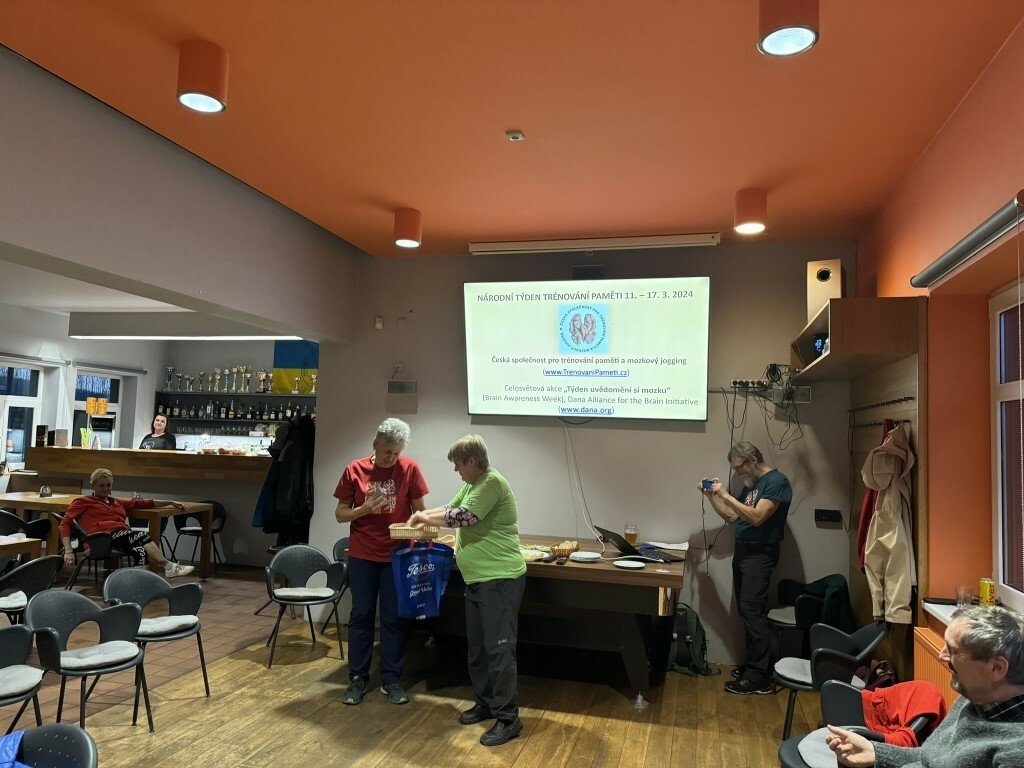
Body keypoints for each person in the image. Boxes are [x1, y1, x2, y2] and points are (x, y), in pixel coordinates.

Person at [407, 434, 526, 747]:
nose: (456, 470)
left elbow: (464, 517)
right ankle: (486, 703)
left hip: (499, 580)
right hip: (478, 581)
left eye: (458, 464)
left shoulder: (491, 483)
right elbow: (451, 507)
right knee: (478, 649)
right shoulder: (473, 484)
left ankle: (508, 718)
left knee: (499, 651)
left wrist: (424, 517)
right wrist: (422, 516)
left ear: (472, 461)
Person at [826, 605, 1024, 767]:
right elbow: (931, 757)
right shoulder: (974, 697)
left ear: (996, 667)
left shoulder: (1015, 753)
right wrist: (876, 753)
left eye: (953, 650)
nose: (942, 655)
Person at [333, 418, 429, 707]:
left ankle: (391, 679)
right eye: (387, 451)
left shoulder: (409, 468)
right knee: (361, 615)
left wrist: (414, 529)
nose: (392, 458)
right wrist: (363, 509)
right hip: (362, 554)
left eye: (397, 452)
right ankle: (357, 677)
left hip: (397, 555)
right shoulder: (355, 469)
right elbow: (340, 514)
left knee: (393, 617)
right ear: (375, 443)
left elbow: (420, 512)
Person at [698, 441, 792, 695]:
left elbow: (758, 517)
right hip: (744, 553)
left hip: (760, 555)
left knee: (752, 611)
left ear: (753, 460)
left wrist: (726, 494)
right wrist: (712, 496)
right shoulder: (754, 484)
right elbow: (732, 516)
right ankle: (755, 666)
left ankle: (758, 677)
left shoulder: (777, 482)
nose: (739, 473)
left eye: (739, 468)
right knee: (746, 611)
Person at [58, 468, 195, 579]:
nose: (106, 489)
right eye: (101, 485)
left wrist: (170, 502)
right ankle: (168, 566)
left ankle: (136, 586)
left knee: (140, 551)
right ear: (93, 485)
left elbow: (143, 503)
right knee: (140, 535)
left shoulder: (116, 502)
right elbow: (64, 524)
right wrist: (68, 550)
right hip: (100, 540)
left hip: (120, 537)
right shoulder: (83, 502)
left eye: (108, 485)